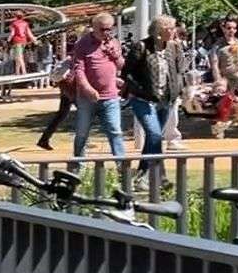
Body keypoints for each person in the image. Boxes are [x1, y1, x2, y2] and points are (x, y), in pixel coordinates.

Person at [124, 16, 185, 185]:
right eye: (171, 28)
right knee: (155, 135)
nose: (174, 31)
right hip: (143, 100)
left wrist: (178, 90)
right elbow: (127, 73)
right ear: (160, 30)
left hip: (166, 100)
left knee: (153, 139)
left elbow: (180, 70)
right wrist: (142, 91)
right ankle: (161, 176)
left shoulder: (173, 47)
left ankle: (141, 174)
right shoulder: (141, 46)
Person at [69, 11, 126, 159]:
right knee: (82, 133)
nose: (106, 32)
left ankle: (122, 170)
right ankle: (78, 168)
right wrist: (87, 88)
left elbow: (122, 66)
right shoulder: (82, 44)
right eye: (102, 29)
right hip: (87, 98)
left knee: (115, 132)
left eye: (109, 29)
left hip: (110, 97)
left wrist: (115, 55)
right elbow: (78, 70)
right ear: (94, 27)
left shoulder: (114, 43)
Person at [208, 17, 238, 141]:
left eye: (234, 28)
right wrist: (218, 80)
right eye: (228, 28)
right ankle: (219, 130)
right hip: (225, 78)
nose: (231, 30)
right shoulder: (217, 45)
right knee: (224, 104)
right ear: (223, 29)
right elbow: (214, 64)